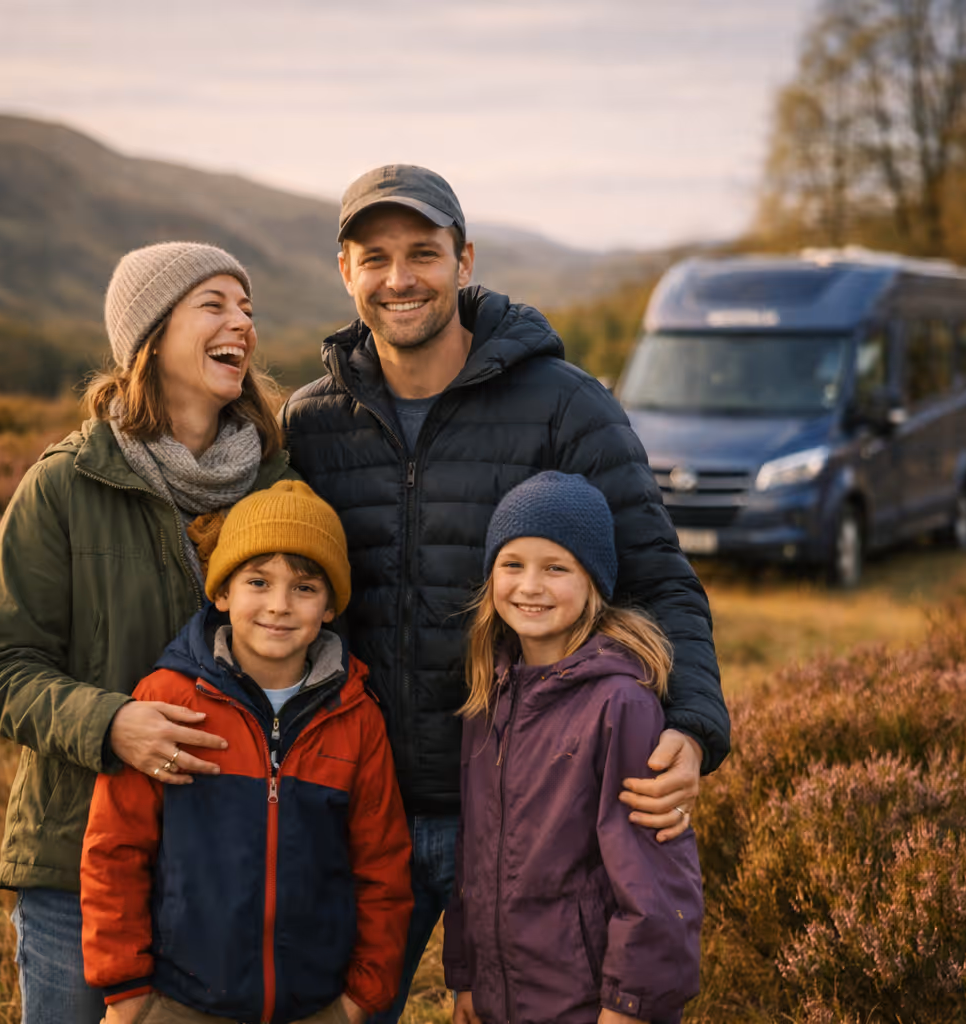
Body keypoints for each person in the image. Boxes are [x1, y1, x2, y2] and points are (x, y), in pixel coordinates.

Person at [281, 165, 728, 1020]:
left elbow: (659, 575)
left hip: (532, 817)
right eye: (374, 257)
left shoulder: (567, 406)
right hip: (359, 805)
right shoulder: (312, 424)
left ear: (464, 259)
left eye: (423, 252)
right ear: (346, 272)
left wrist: (695, 726)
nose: (399, 277)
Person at [0, 241, 297, 1024]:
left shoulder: (277, 485)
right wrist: (111, 723)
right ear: (150, 334)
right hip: (75, 859)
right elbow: (1, 669)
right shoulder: (65, 483)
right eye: (213, 304)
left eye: (247, 308)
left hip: (227, 858)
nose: (241, 324)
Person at [80, 480, 413, 1024]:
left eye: (305, 588)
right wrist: (126, 991)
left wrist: (359, 1001)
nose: (279, 606)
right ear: (222, 593)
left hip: (316, 1006)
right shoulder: (167, 698)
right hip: (174, 1002)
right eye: (258, 581)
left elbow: (383, 869)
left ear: (330, 606)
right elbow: (115, 851)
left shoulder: (356, 716)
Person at [443, 471, 703, 1024]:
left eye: (556, 567)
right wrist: (467, 976)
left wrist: (629, 1006)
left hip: (589, 1006)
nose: (530, 586)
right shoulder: (489, 696)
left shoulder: (620, 705)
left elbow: (654, 879)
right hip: (500, 1000)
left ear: (595, 582)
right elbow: (474, 855)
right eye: (512, 565)